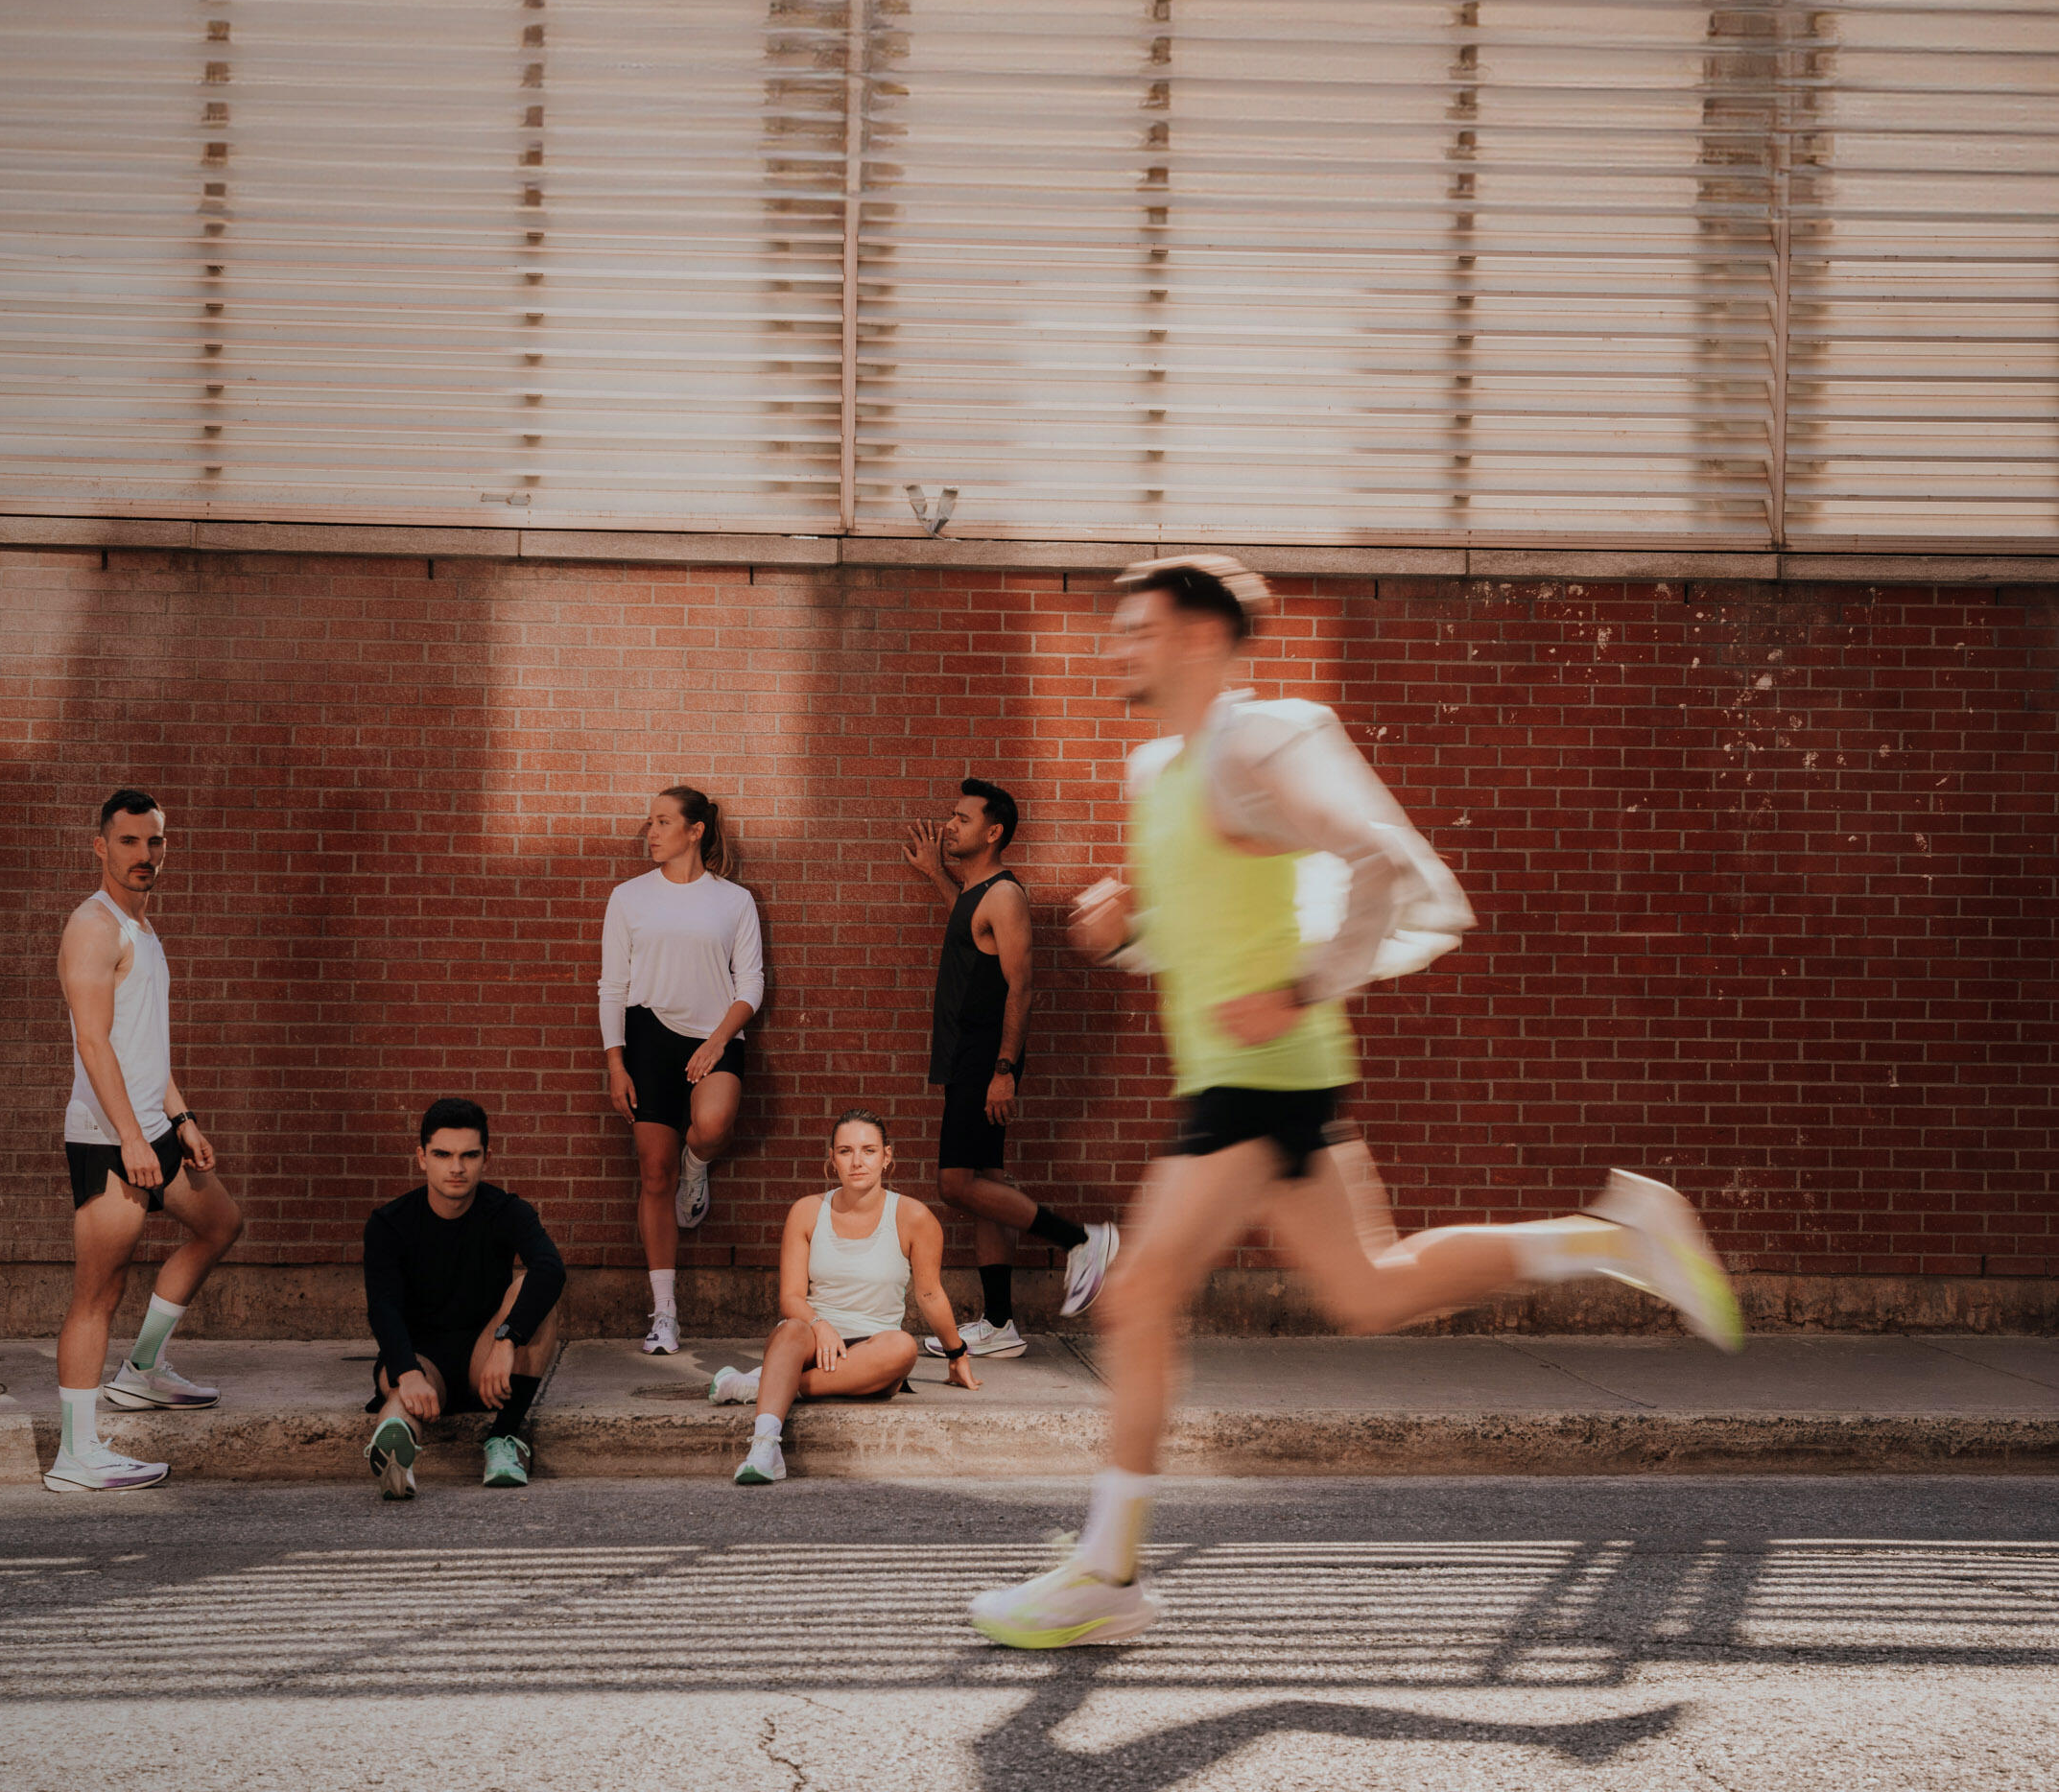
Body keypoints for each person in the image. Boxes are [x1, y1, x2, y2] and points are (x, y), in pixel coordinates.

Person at [969, 555, 1741, 1647]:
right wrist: (1126, 928)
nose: (1117, 646)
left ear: (1200, 639)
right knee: (1370, 1289)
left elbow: (1375, 860)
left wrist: (1298, 986)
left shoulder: (1260, 741)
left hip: (1260, 1076)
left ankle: (1109, 1570)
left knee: (1138, 1294)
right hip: (1257, 1078)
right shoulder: (1159, 768)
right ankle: (1611, 1235)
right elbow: (1203, 912)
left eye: (1138, 628)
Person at [46, 788, 246, 1493]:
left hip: (154, 1129)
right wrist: (131, 1137)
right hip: (109, 1140)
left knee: (220, 1223)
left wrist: (181, 1118)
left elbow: (142, 1049)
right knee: (97, 1294)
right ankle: (76, 1454)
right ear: (100, 846)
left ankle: (143, 1372)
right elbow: (94, 1043)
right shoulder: (94, 928)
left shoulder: (144, 927)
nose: (144, 855)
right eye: (129, 842)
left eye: (155, 842)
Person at [900, 777, 1117, 1360]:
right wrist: (935, 877)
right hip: (967, 1054)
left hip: (983, 1057)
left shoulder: (1006, 895)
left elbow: (1023, 988)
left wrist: (1003, 1070)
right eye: (951, 816)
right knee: (987, 1186)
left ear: (993, 833)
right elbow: (971, 935)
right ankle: (999, 1324)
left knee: (957, 1184)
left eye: (962, 819)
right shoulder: (977, 894)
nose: (950, 825)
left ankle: (1081, 1240)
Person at [722, 1111, 982, 1482]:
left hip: (873, 1349)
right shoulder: (807, 1211)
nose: (857, 1161)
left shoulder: (913, 1216)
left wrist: (957, 1355)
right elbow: (791, 1296)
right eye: (845, 1151)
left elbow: (929, 1292)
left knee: (903, 1347)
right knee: (790, 1330)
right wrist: (819, 1324)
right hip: (810, 1339)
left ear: (887, 1157)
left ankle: (768, 1383)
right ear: (832, 1159)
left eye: (869, 1150)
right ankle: (764, 1449)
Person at [599, 785, 764, 1355]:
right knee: (652, 1174)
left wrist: (719, 1040)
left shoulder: (733, 902)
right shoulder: (628, 897)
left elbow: (752, 985)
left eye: (663, 822)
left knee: (713, 1126)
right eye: (650, 823)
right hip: (647, 1035)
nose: (651, 832)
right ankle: (665, 1312)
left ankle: (698, 1166)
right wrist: (616, 1063)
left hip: (715, 1036)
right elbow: (612, 987)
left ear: (695, 831)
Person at [361, 1096, 568, 1498]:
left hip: (486, 1358)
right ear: (422, 1157)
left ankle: (503, 1440)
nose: (456, 1168)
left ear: (486, 1158)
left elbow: (551, 1269)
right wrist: (408, 1372)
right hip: (421, 1359)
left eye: (469, 1155)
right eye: (443, 1154)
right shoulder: (389, 1223)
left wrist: (507, 1340)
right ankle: (394, 1450)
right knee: (402, 1395)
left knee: (537, 1289)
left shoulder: (507, 1211)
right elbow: (382, 1307)